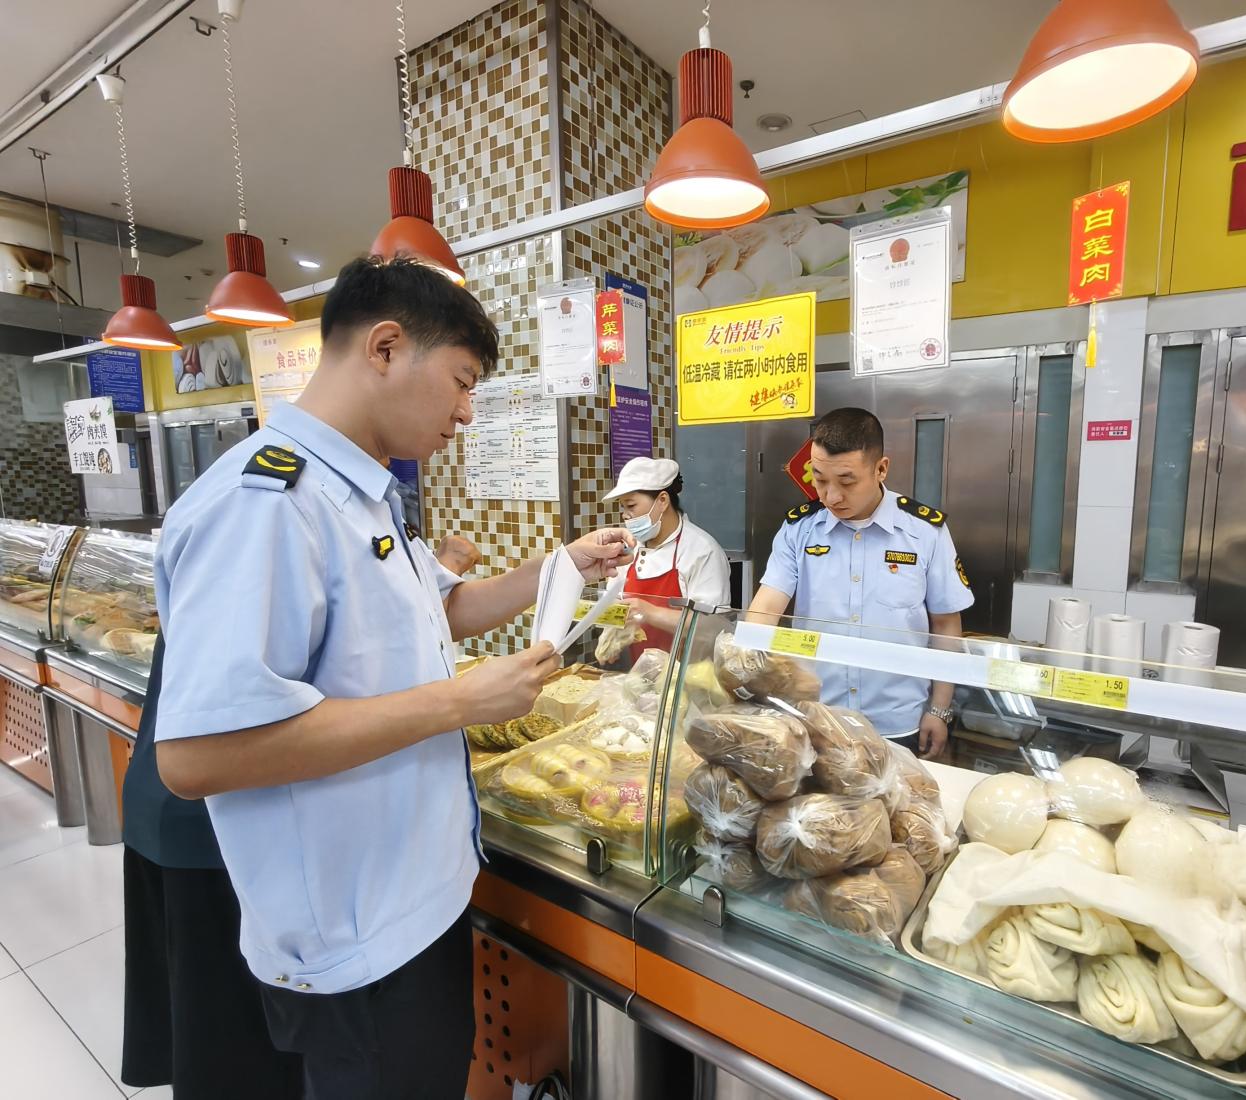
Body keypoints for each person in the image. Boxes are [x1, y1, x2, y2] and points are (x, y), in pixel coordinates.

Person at [150, 257, 631, 1100]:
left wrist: (558, 568)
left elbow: (436, 612)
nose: (467, 412)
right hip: (355, 941)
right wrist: (459, 701)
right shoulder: (266, 504)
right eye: (462, 381)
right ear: (384, 348)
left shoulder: (365, 495)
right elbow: (197, 756)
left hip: (414, 905)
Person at [120, 533, 484, 1100]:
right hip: (221, 835)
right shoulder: (261, 517)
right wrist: (458, 702)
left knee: (276, 1053)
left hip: (263, 842)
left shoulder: (359, 510)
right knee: (233, 1052)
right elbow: (197, 758)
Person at [747, 407, 973, 759]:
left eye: (847, 481)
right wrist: (748, 679)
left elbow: (945, 624)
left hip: (897, 723)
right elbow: (764, 611)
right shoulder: (799, 530)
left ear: (881, 468)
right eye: (820, 479)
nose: (831, 496)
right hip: (816, 719)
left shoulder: (925, 532)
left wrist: (940, 709)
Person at [601, 457, 731, 660]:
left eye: (631, 505)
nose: (625, 515)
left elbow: (712, 627)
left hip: (685, 672)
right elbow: (613, 602)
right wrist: (611, 635)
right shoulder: (629, 548)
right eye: (623, 507)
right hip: (635, 670)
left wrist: (649, 612)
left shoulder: (702, 550)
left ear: (662, 500)